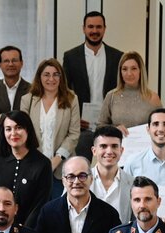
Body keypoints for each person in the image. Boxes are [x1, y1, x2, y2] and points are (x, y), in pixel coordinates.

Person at [62, 11, 124, 157]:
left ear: (104, 29)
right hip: (82, 127)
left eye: (98, 27)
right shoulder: (71, 57)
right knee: (82, 166)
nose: (94, 31)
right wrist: (74, 119)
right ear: (83, 28)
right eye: (90, 27)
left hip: (110, 124)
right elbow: (64, 91)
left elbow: (121, 90)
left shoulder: (117, 57)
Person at [19, 58, 80, 198]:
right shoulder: (28, 100)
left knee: (58, 212)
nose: (51, 79)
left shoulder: (71, 99)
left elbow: (74, 134)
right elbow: (23, 133)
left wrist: (57, 158)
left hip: (62, 168)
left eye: (55, 74)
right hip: (33, 166)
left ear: (61, 77)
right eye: (46, 74)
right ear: (39, 77)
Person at [0, 111, 52, 228]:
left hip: (30, 232)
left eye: (18, 128)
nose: (13, 133)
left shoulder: (43, 164)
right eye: (8, 129)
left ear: (28, 130)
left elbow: (40, 205)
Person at [0, 46, 31, 171]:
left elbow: (30, 124)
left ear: (21, 63)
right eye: (6, 61)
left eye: (14, 60)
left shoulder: (32, 90)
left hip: (24, 156)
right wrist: (18, 125)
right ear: (0, 64)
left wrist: (1, 117)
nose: (10, 64)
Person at [96, 51, 162, 134]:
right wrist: (114, 129)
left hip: (144, 145)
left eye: (134, 68)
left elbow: (162, 125)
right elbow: (100, 126)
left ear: (140, 70)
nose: (129, 73)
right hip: (117, 145)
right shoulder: (111, 96)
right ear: (120, 72)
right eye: (124, 69)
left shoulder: (153, 97)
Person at [91, 125, 135, 223]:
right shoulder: (79, 180)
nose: (109, 151)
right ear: (94, 151)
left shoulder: (133, 183)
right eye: (103, 146)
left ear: (121, 150)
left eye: (114, 146)